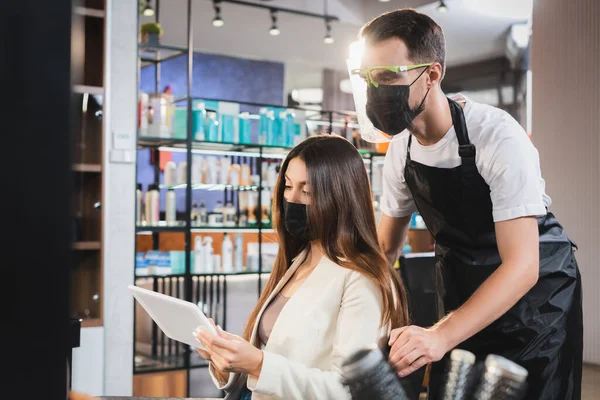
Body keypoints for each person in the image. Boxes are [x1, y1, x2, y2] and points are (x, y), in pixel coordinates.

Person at [349, 9, 583, 400]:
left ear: (433, 74)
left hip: (537, 302)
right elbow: (385, 249)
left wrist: (440, 336)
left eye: (389, 75)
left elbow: (522, 266)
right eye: (368, 77)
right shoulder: (401, 151)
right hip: (462, 287)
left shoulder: (496, 136)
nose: (377, 89)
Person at [195, 135, 410, 400]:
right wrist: (226, 363)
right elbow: (273, 362)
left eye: (307, 191)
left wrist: (259, 364)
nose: (292, 199)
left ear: (341, 196)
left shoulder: (363, 278)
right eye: (288, 186)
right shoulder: (300, 258)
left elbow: (349, 390)